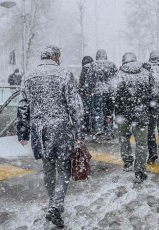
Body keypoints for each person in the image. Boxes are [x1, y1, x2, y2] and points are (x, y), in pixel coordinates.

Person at [17, 45, 84, 228]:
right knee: (63, 168)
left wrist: (22, 131)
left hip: (39, 129)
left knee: (48, 167)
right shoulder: (64, 74)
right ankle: (56, 205)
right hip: (60, 127)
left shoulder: (28, 76)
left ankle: (53, 203)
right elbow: (74, 106)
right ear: (56, 57)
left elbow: (23, 106)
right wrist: (79, 132)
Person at [115, 52, 152, 183]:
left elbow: (115, 95)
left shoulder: (119, 74)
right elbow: (152, 93)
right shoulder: (145, 73)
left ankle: (127, 162)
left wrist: (116, 111)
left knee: (124, 138)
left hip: (123, 114)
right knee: (142, 144)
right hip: (141, 113)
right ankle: (140, 171)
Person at [85, 49, 118, 140]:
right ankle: (109, 132)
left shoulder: (93, 65)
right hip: (109, 93)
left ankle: (99, 130)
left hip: (97, 92)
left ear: (97, 56)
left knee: (97, 112)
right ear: (106, 56)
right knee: (109, 113)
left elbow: (89, 79)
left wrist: (88, 90)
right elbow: (116, 79)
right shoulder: (112, 65)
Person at [78, 56, 94, 133]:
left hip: (84, 93)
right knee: (94, 110)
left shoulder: (83, 70)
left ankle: (87, 127)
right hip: (93, 93)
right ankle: (95, 127)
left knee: (86, 111)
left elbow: (81, 83)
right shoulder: (93, 69)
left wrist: (82, 92)